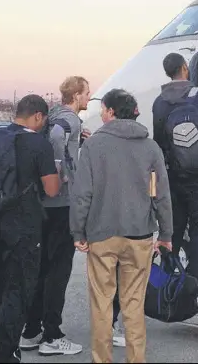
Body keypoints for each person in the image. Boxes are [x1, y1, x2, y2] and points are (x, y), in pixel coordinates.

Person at [70, 89, 173, 364]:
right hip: (139, 235)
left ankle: (101, 360)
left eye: (103, 109)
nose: (101, 114)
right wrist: (166, 234)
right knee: (133, 305)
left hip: (101, 235)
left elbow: (83, 194)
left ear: (112, 112)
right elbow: (161, 193)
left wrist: (78, 232)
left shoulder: (93, 146)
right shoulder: (150, 147)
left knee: (102, 304)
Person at [0, 95, 60, 363]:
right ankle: (5, 354)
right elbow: (51, 189)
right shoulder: (39, 144)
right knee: (17, 291)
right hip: (23, 229)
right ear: (38, 116)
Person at [20, 76, 90, 356]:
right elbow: (59, 138)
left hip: (40, 207)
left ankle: (31, 330)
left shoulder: (50, 115)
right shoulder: (69, 119)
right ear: (75, 95)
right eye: (86, 93)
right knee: (58, 272)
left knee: (40, 269)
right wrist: (61, 171)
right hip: (60, 205)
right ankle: (52, 335)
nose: (88, 98)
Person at [152, 52, 198, 313]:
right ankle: (191, 299)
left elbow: (159, 143)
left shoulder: (159, 102)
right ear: (184, 68)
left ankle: (165, 294)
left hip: (173, 179)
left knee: (173, 238)